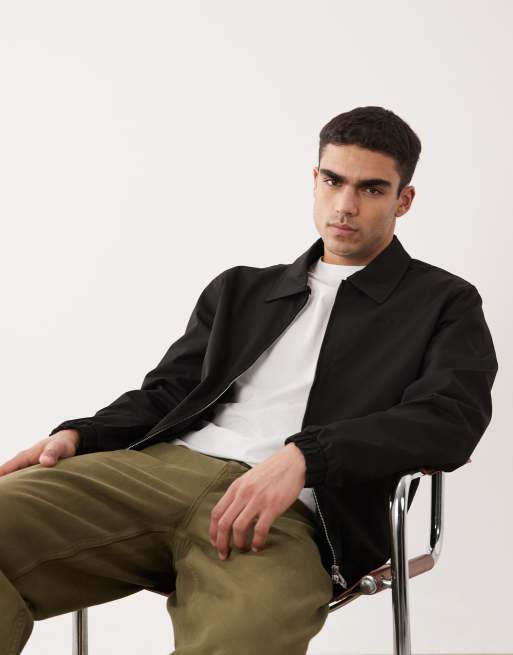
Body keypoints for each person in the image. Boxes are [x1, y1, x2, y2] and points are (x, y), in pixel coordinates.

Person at [0, 106, 498, 655]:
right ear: (314, 179)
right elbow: (169, 393)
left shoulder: (442, 302)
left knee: (244, 638)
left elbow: (451, 419)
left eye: (372, 189)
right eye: (333, 181)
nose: (345, 204)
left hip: (291, 514)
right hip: (156, 474)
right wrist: (80, 434)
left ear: (404, 200)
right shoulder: (241, 290)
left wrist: (307, 457)